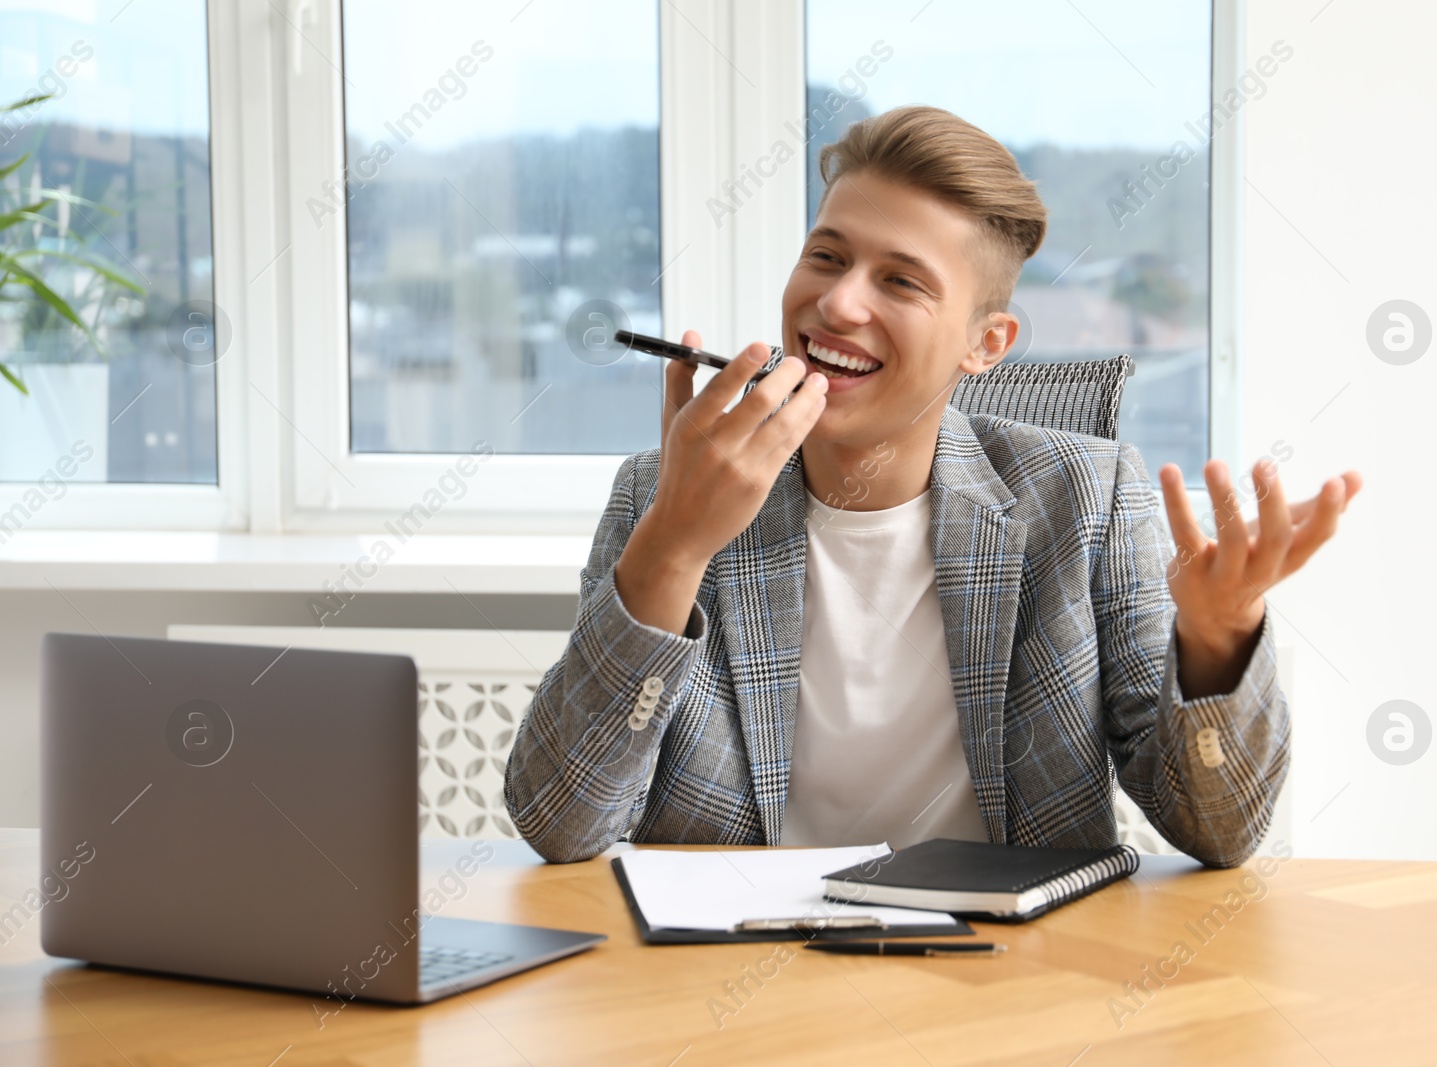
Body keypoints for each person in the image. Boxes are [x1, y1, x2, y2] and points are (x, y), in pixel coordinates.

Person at [505, 106, 1360, 867]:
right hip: (743, 982)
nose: (837, 305)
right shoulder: (663, 496)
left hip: (1006, 986)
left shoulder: (1085, 498)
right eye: (826, 256)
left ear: (985, 343)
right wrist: (673, 547)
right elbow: (561, 822)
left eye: (900, 280)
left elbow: (1219, 830)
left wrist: (1219, 638)